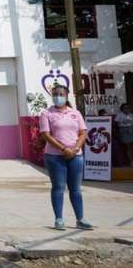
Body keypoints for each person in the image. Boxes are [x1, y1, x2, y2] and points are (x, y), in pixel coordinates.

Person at [39, 84, 94, 231]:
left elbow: (83, 133)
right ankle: (59, 219)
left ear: (67, 95)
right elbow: (46, 134)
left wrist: (75, 148)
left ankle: (80, 219)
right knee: (58, 187)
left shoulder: (75, 113)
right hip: (54, 156)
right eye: (55, 94)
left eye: (61, 94)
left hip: (76, 156)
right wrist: (63, 149)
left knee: (75, 189)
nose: (58, 96)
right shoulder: (46, 113)